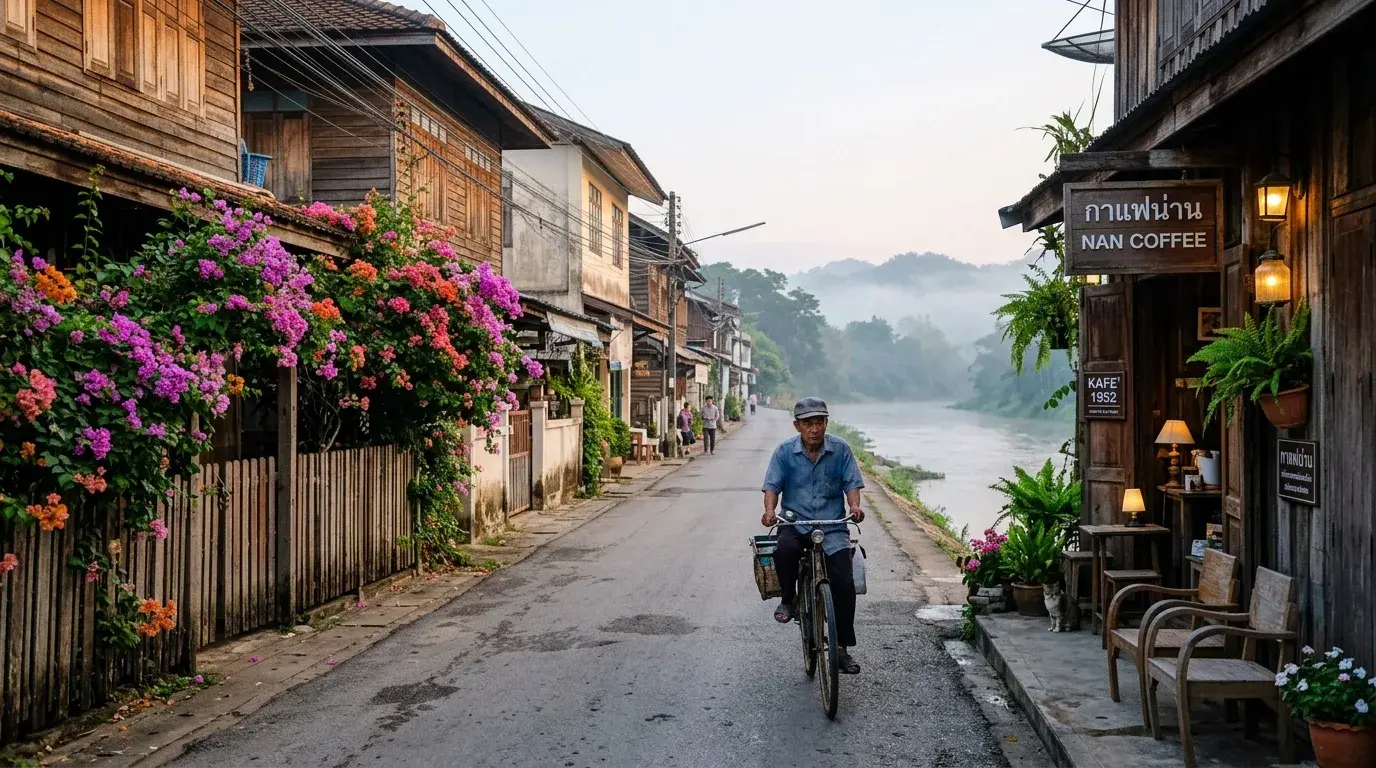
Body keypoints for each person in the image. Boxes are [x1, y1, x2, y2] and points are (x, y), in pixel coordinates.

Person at [760, 397, 865, 674]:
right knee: (784, 549)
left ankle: (841, 648)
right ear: (797, 426)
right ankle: (788, 598)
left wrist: (854, 506)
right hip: (795, 522)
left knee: (844, 580)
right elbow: (772, 486)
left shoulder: (841, 449)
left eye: (819, 422)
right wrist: (770, 511)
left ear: (826, 423)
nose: (814, 429)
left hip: (831, 525)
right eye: (808, 423)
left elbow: (852, 483)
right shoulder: (784, 452)